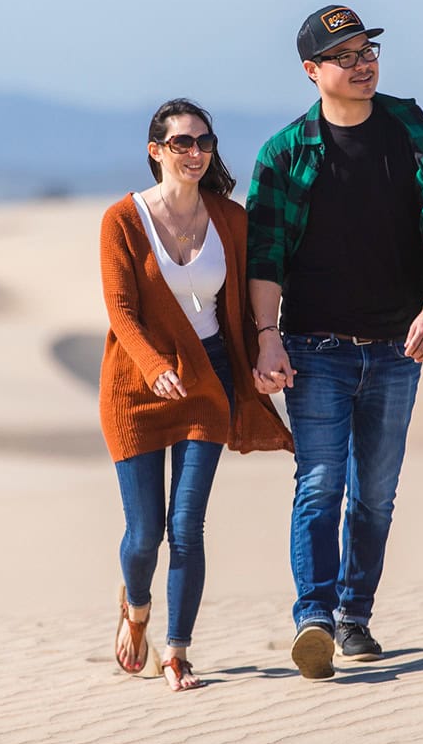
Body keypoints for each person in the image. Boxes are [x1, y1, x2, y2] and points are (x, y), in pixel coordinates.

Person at [246, 5, 423, 680]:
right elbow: (264, 256)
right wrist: (267, 337)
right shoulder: (285, 153)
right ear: (312, 70)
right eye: (345, 56)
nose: (362, 65)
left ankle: (354, 616)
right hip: (314, 348)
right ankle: (314, 620)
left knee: (375, 495)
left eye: (367, 51)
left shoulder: (408, 127)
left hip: (394, 350)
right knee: (321, 485)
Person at [99, 98, 293, 692]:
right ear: (155, 151)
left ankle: (178, 650)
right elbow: (121, 311)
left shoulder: (229, 219)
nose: (196, 152)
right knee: (144, 534)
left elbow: (246, 302)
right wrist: (155, 366)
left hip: (208, 379)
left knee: (186, 526)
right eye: (182, 142)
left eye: (204, 142)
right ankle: (136, 607)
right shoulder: (122, 220)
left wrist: (263, 351)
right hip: (135, 385)